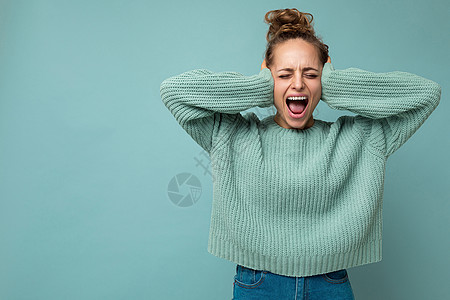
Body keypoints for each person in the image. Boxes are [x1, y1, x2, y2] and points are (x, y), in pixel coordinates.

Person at [160, 8, 441, 300]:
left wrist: (336, 84)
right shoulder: (232, 134)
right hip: (258, 284)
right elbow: (173, 91)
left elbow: (426, 94)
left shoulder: (359, 139)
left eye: (311, 74)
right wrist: (259, 87)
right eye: (284, 75)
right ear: (269, 80)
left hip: (330, 284)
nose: (298, 84)